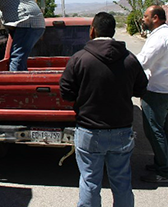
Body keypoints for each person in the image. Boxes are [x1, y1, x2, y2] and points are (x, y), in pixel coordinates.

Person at [59, 12, 148, 207]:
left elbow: (65, 92)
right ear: (113, 31)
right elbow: (142, 88)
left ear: (92, 30)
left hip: (89, 131)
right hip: (121, 131)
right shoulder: (130, 59)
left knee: (90, 182)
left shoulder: (79, 59)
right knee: (122, 182)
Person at [137, 5, 168, 183]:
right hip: (167, 88)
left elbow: (143, 61)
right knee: (165, 128)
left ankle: (164, 172)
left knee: (154, 131)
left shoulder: (160, 37)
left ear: (155, 18)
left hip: (156, 91)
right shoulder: (166, 35)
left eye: (146, 16)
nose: (143, 19)